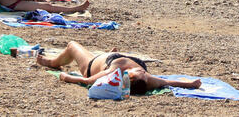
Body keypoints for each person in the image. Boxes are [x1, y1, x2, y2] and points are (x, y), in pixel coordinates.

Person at [37, 41, 201, 94]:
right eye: (143, 73)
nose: (143, 71)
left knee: (72, 46)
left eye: (140, 72)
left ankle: (52, 62)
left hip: (91, 65)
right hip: (108, 58)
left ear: (128, 75)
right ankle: (108, 54)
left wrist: (65, 77)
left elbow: (86, 80)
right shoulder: (147, 80)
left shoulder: (114, 72)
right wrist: (191, 84)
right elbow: (169, 82)